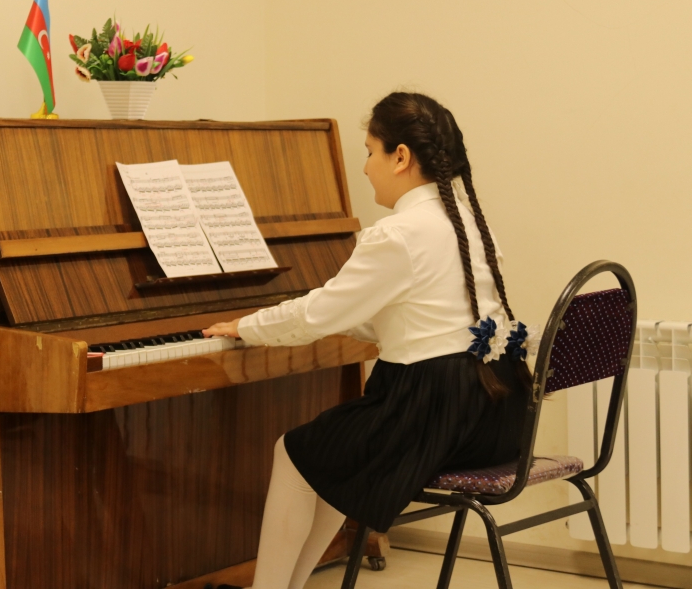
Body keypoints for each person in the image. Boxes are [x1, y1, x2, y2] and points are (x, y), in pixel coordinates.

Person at [202, 92, 534, 589]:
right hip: (496, 409)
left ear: (400, 157)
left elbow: (318, 313)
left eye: (369, 151)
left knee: (293, 452)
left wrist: (247, 326)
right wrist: (321, 318)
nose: (364, 167)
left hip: (433, 408)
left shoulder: (398, 233)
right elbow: (401, 317)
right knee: (335, 458)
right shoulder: (466, 222)